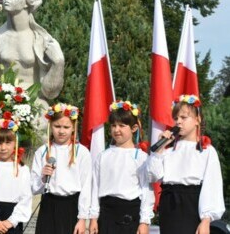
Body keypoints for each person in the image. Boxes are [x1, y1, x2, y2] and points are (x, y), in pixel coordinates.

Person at [147, 94, 225, 234]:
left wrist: (206, 220)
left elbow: (212, 186)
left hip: (192, 206)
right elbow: (153, 176)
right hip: (169, 205)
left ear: (197, 120)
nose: (178, 122)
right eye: (176, 118)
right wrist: (158, 151)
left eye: (183, 117)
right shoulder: (168, 150)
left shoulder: (206, 151)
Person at [0, 0, 64, 103]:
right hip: (4, 106)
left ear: (27, 2)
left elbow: (50, 93)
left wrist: (58, 64)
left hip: (36, 104)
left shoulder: (42, 40)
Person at [89, 100, 155, 234]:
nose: (116, 130)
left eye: (122, 125)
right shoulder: (103, 156)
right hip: (107, 214)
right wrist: (94, 218)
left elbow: (146, 190)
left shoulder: (141, 157)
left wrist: (144, 221)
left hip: (130, 215)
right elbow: (95, 187)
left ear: (134, 128)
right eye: (113, 125)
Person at [31, 103, 92, 234]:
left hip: (72, 207)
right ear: (50, 126)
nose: (61, 131)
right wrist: (42, 178)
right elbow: (33, 188)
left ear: (73, 128)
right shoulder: (42, 151)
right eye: (57, 126)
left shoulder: (81, 152)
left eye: (66, 127)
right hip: (49, 204)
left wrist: (82, 218)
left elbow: (86, 186)